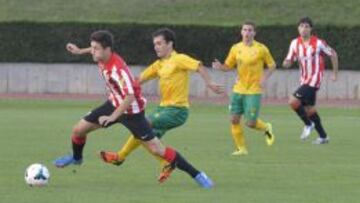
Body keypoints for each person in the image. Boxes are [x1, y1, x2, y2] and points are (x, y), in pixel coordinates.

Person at [54, 30, 214, 189]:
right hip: (113, 103)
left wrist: (112, 118)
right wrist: (80, 51)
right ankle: (77, 158)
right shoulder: (101, 55)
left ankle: (198, 175)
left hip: (132, 112)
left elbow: (130, 96)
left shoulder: (118, 70)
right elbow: (95, 51)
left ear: (107, 49)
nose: (93, 52)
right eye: (92, 48)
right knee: (78, 130)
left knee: (157, 149)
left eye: (95, 48)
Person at [212, 21, 276, 155]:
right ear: (241, 32)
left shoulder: (261, 49)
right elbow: (228, 66)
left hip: (254, 90)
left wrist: (264, 78)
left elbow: (272, 65)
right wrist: (220, 67)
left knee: (250, 123)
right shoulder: (236, 48)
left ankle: (266, 127)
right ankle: (241, 148)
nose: (247, 33)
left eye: (250, 30)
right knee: (234, 119)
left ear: (254, 33)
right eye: (245, 30)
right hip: (238, 89)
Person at [282, 17, 338, 144]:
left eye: (307, 26)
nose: (304, 29)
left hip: (314, 79)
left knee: (293, 101)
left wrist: (335, 74)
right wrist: (286, 63)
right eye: (301, 26)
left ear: (311, 29)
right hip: (304, 79)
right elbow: (289, 59)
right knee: (309, 109)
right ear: (298, 28)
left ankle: (308, 124)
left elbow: (333, 54)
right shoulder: (294, 43)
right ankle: (323, 137)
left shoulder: (318, 42)